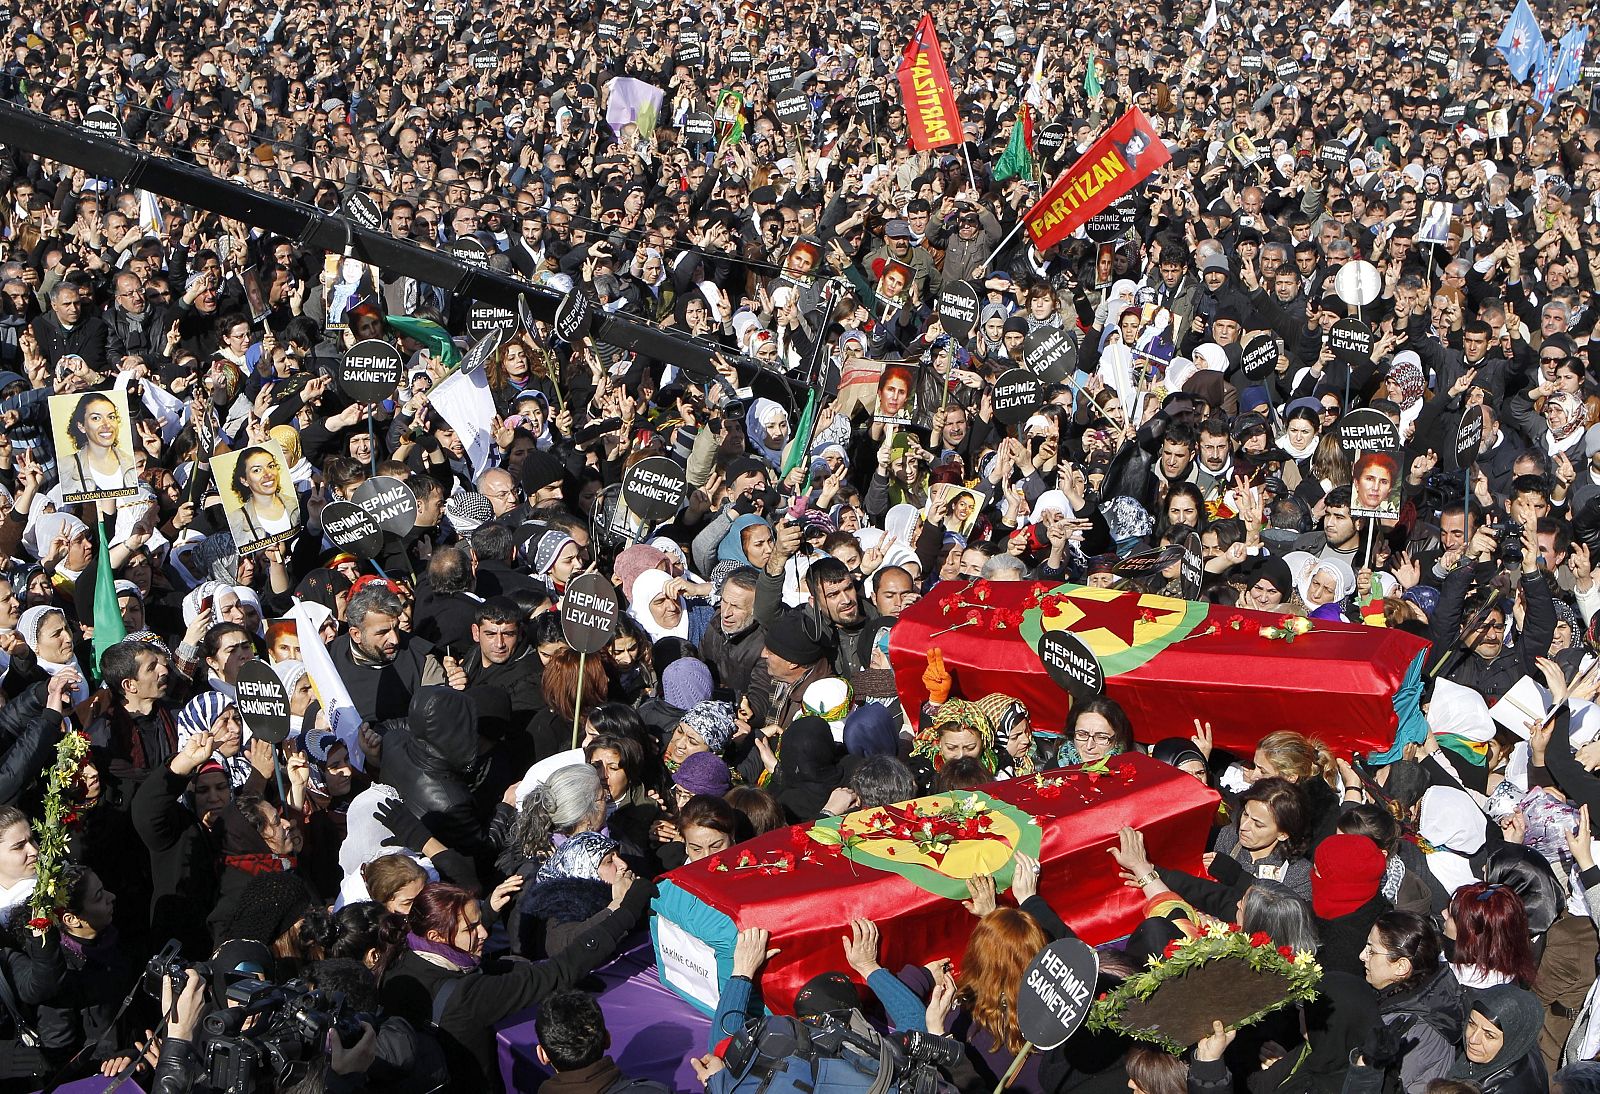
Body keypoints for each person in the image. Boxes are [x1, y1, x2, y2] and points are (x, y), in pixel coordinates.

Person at [55, 391, 137, 498]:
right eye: (96, 418)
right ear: (81, 426)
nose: (106, 424)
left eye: (111, 417)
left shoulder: (132, 462)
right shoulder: (65, 467)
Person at [225, 445, 300, 546]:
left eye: (271, 466)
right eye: (257, 470)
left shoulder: (297, 502)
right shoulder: (236, 519)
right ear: (244, 480)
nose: (267, 474)